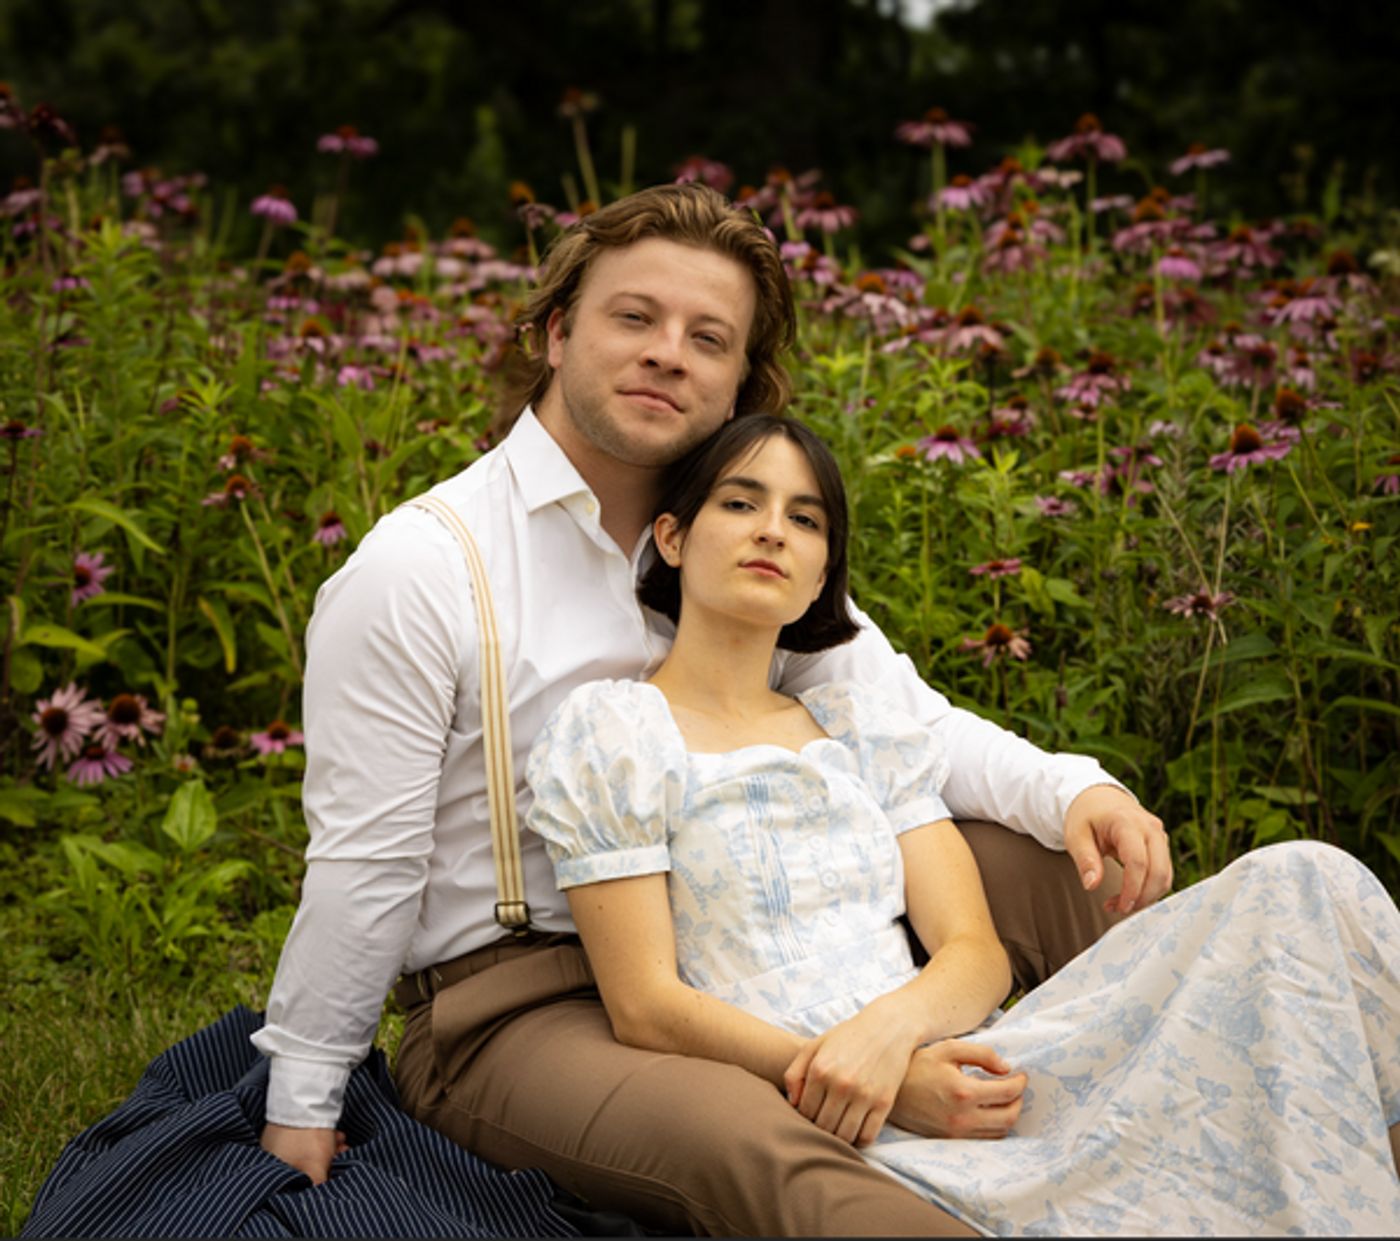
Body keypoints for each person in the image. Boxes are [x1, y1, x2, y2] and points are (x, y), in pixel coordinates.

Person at [254, 182, 1170, 1235]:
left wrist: (1073, 788)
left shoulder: (741, 530)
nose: (666, 353)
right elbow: (367, 859)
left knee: (1095, 879)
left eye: (707, 336)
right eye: (632, 317)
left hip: (760, 911)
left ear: (739, 378)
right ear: (555, 333)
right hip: (531, 998)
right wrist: (305, 1095)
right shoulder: (422, 568)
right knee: (758, 1136)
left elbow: (900, 718)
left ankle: (1236, 1122)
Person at [525, 413, 1400, 1235]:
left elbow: (975, 951)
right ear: (673, 537)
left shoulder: (860, 730)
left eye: (806, 518)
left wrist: (894, 1033)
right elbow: (644, 1003)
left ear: (825, 569)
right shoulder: (617, 734)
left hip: (957, 1059)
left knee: (1308, 879)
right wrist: (875, 1075)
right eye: (741, 503)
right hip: (828, 1102)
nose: (772, 532)